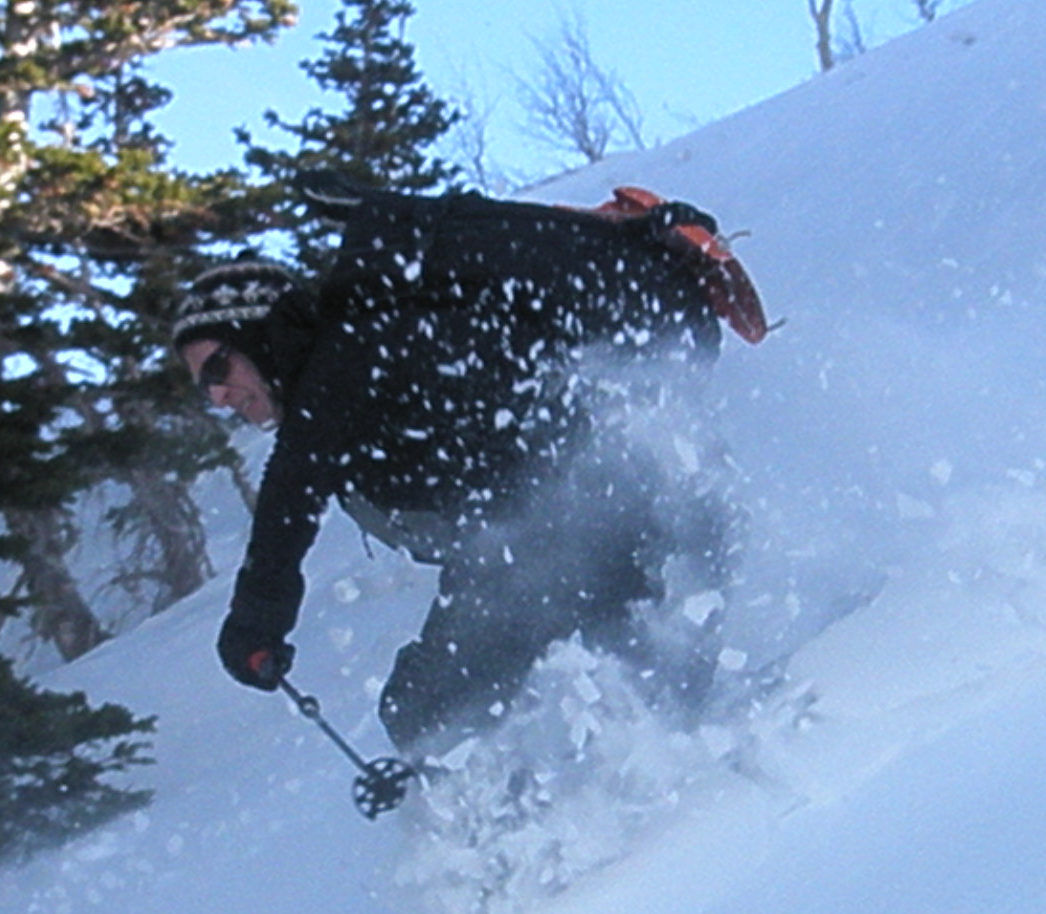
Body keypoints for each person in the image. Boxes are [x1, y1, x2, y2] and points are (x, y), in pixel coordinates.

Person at [171, 183, 758, 755]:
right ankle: (637, 776)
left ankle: (673, 785)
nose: (219, 396)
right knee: (435, 705)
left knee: (429, 710)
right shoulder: (362, 357)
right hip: (580, 526)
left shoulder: (350, 352)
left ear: (259, 334)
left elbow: (289, 499)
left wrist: (254, 623)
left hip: (591, 520)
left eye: (218, 367)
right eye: (205, 389)